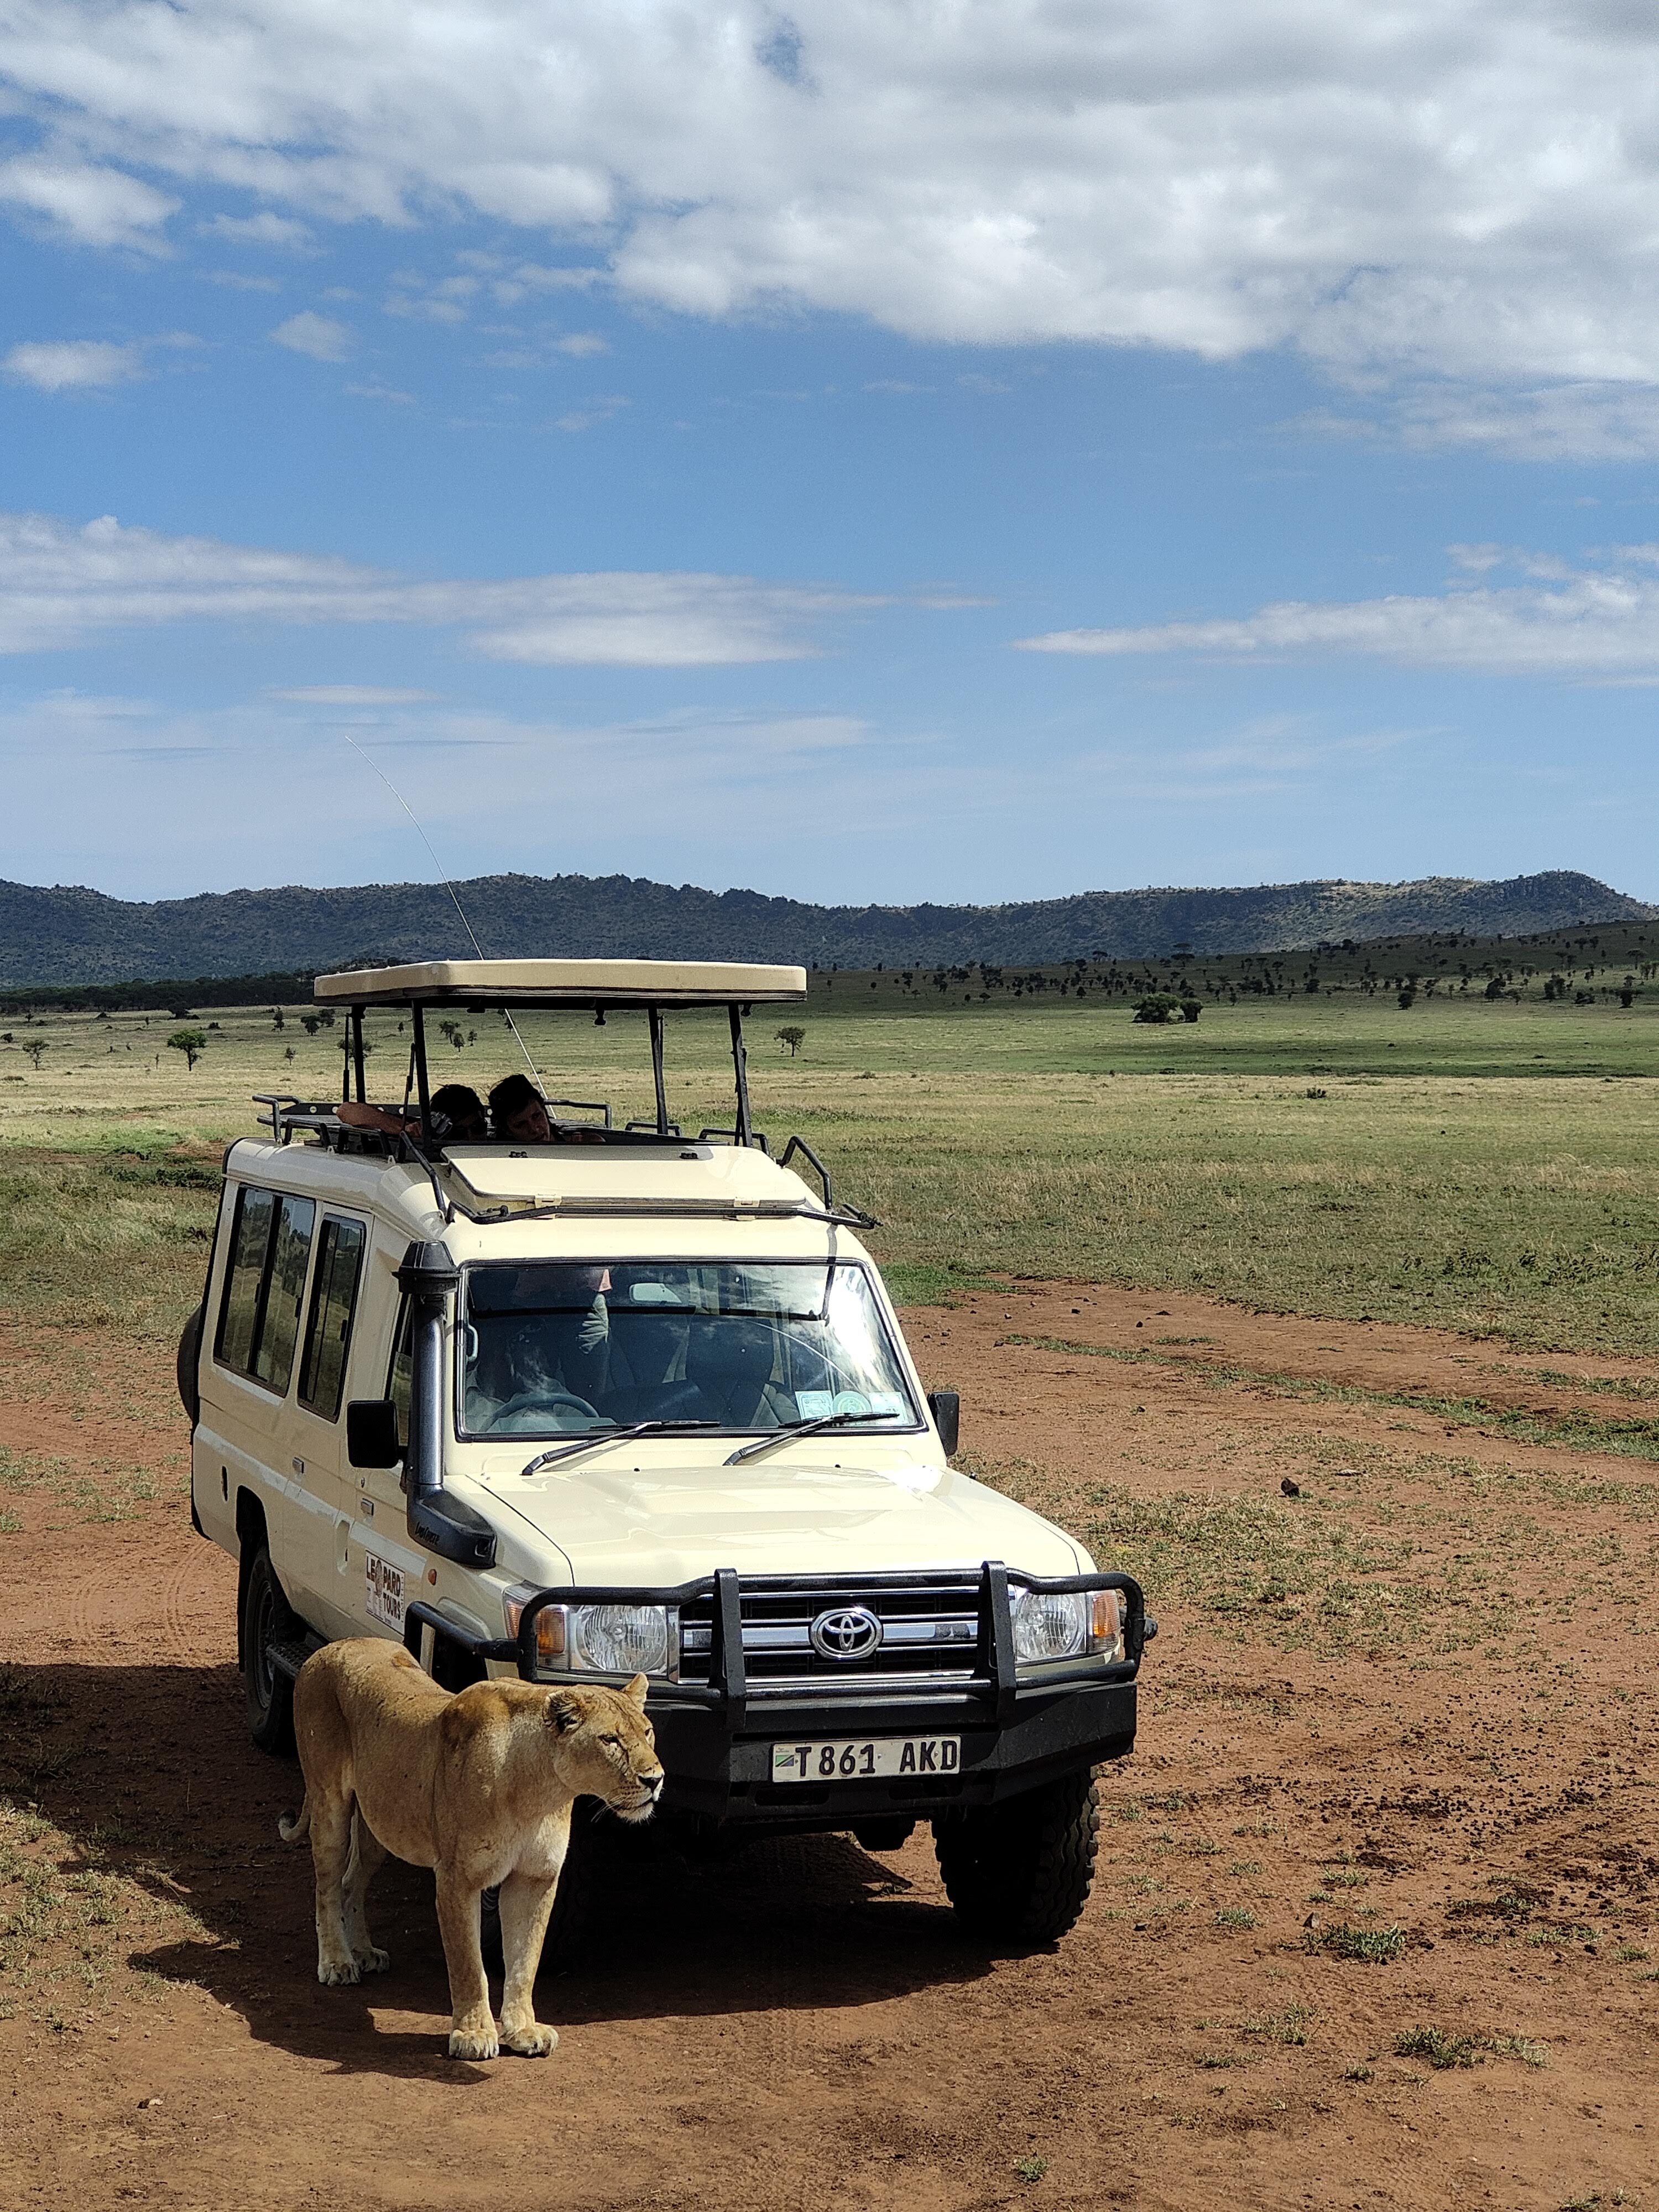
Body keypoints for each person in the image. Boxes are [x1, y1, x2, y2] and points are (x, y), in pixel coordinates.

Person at [336, 1082, 488, 1145]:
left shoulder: (496, 1149)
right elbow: (346, 1111)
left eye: (478, 1128)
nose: (471, 1138)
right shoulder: (423, 1134)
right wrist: (403, 1130)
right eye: (457, 1133)